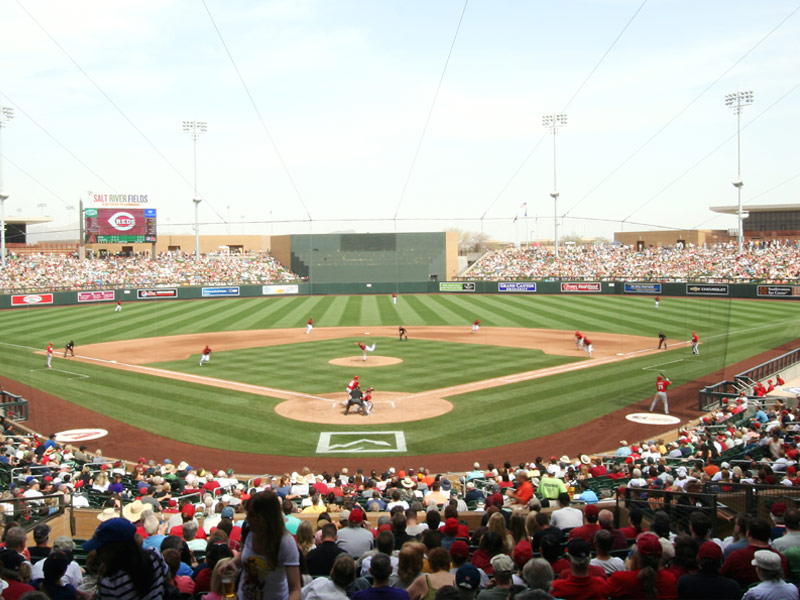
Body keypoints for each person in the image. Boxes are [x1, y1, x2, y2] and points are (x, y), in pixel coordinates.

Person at [219, 491, 301, 600]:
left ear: (266, 517)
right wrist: (232, 563)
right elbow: (244, 553)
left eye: (253, 515)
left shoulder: (286, 543)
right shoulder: (248, 529)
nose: (247, 519)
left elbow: (295, 590)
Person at [83, 517, 169, 599]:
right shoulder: (154, 556)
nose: (98, 553)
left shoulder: (110, 584)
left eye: (100, 549)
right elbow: (167, 578)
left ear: (111, 550)